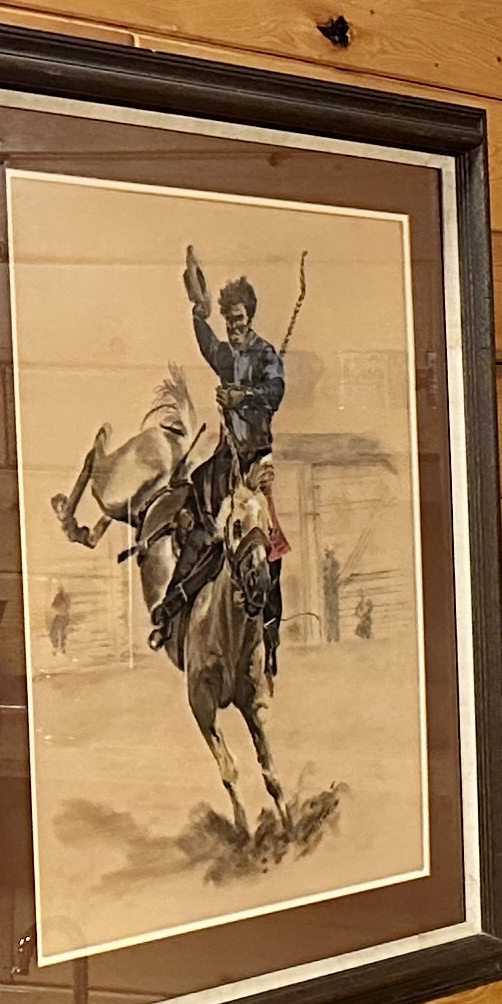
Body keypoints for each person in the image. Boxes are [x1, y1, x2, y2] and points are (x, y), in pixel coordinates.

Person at [149, 247, 292, 682]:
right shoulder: (227, 355)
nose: (233, 327)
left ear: (250, 316)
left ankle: (269, 636)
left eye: (239, 319)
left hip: (256, 462)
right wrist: (199, 311)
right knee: (199, 526)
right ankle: (173, 605)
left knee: (267, 548)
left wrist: (241, 396)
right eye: (229, 320)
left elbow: (275, 394)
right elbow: (208, 344)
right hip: (228, 458)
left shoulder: (266, 355)